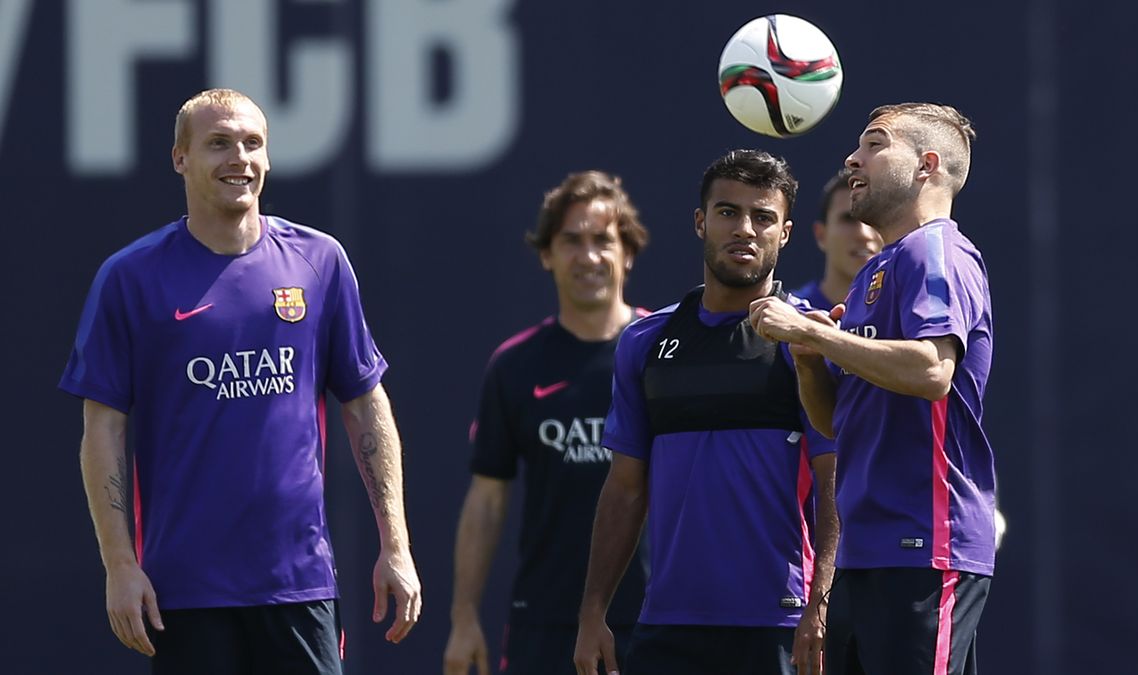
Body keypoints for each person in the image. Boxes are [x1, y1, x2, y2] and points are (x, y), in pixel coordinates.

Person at [58, 88, 421, 674]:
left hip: (299, 585)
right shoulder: (130, 277)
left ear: (269, 158)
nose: (240, 158)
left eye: (253, 144)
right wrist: (120, 566)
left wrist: (396, 546)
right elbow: (102, 429)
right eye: (218, 143)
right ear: (179, 157)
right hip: (184, 592)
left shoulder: (319, 261)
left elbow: (365, 403)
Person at [750, 102, 994, 675]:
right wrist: (811, 361)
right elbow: (837, 421)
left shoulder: (936, 249)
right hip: (866, 551)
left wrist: (816, 333)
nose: (852, 157)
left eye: (875, 144)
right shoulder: (877, 271)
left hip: (924, 543)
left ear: (926, 165)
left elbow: (932, 372)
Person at [574, 149, 839, 675]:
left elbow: (835, 480)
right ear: (700, 222)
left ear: (784, 233)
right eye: (727, 212)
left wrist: (821, 606)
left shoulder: (809, 341)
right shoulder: (645, 342)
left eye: (763, 217)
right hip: (668, 627)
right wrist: (592, 612)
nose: (744, 229)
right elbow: (625, 487)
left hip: (778, 626)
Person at [443, 171, 650, 675]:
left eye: (603, 240)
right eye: (570, 240)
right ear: (546, 254)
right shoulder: (515, 366)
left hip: (653, 620)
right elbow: (487, 499)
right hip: (546, 623)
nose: (588, 256)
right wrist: (464, 616)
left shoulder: (661, 352)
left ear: (627, 252)